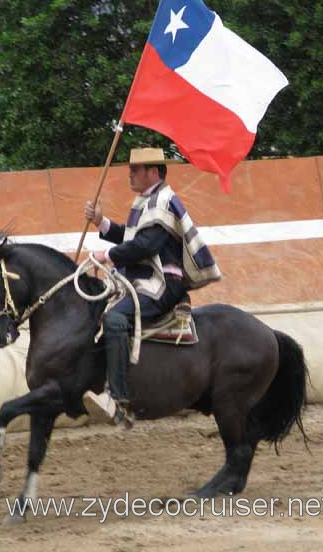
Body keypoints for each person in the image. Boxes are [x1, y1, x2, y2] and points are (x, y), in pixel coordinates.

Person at [83, 147, 221, 427]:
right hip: (142, 280)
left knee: (114, 317)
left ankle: (118, 399)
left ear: (153, 172)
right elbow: (132, 237)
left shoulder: (163, 201)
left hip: (162, 284)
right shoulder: (148, 201)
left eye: (136, 169)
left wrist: (106, 256)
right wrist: (102, 222)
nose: (130, 173)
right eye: (130, 169)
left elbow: (147, 246)